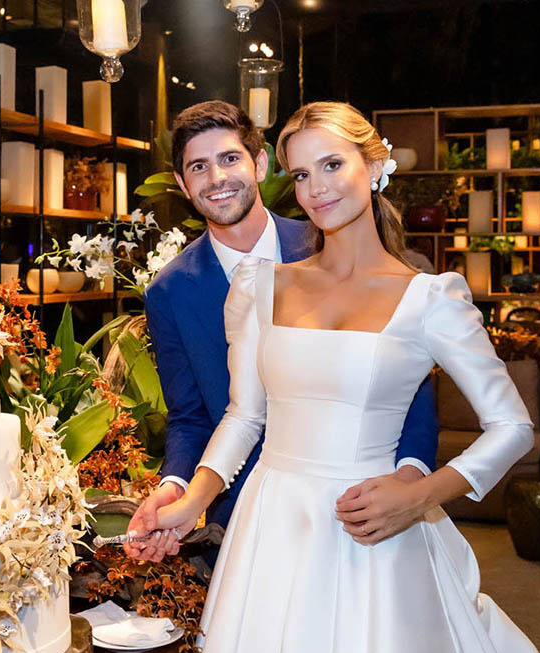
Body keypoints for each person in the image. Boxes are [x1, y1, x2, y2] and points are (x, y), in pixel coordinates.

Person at [135, 102, 540, 653]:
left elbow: (512, 426)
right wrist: (190, 500)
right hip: (270, 530)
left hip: (372, 534)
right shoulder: (261, 286)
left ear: (374, 167)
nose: (317, 187)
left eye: (332, 164)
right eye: (301, 174)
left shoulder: (429, 297)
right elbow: (243, 416)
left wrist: (420, 493)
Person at [126, 101, 438, 562]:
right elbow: (189, 416)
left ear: (260, 163)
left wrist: (409, 479)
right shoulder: (169, 292)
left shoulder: (331, 244)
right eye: (198, 167)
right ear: (182, 184)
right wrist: (176, 487)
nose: (216, 178)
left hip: (360, 506)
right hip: (244, 515)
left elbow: (407, 380)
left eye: (229, 158)